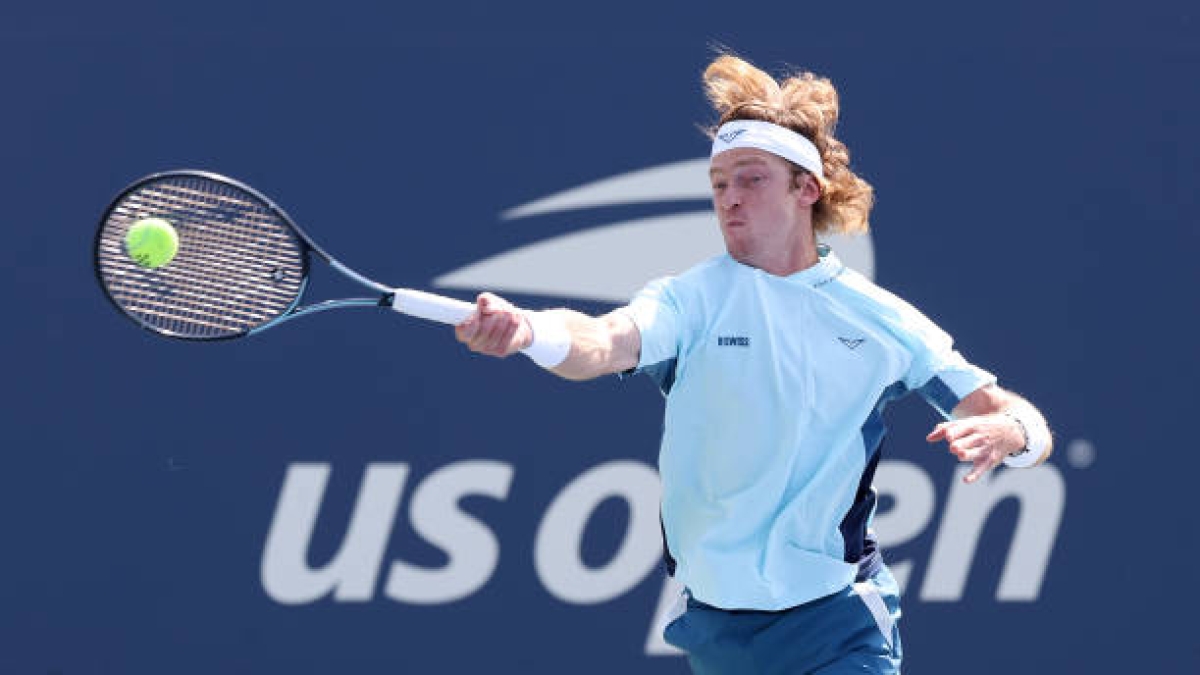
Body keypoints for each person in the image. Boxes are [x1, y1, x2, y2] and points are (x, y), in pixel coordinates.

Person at [455, 53, 1052, 675]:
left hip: (837, 623)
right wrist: (530, 331)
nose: (730, 198)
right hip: (718, 630)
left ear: (807, 189)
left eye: (752, 178)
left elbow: (1007, 411)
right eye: (719, 184)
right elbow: (600, 342)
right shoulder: (689, 301)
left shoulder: (884, 324)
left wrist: (1014, 432)